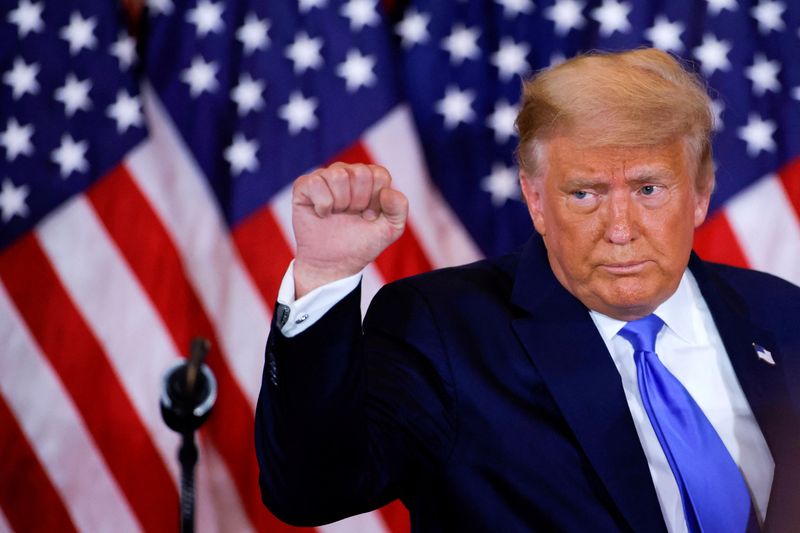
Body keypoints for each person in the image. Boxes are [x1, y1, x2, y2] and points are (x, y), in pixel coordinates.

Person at [254, 48, 800, 532]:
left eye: (649, 189)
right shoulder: (442, 330)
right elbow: (311, 491)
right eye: (584, 193)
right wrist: (324, 275)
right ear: (536, 200)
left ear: (700, 194)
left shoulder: (780, 314)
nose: (620, 227)